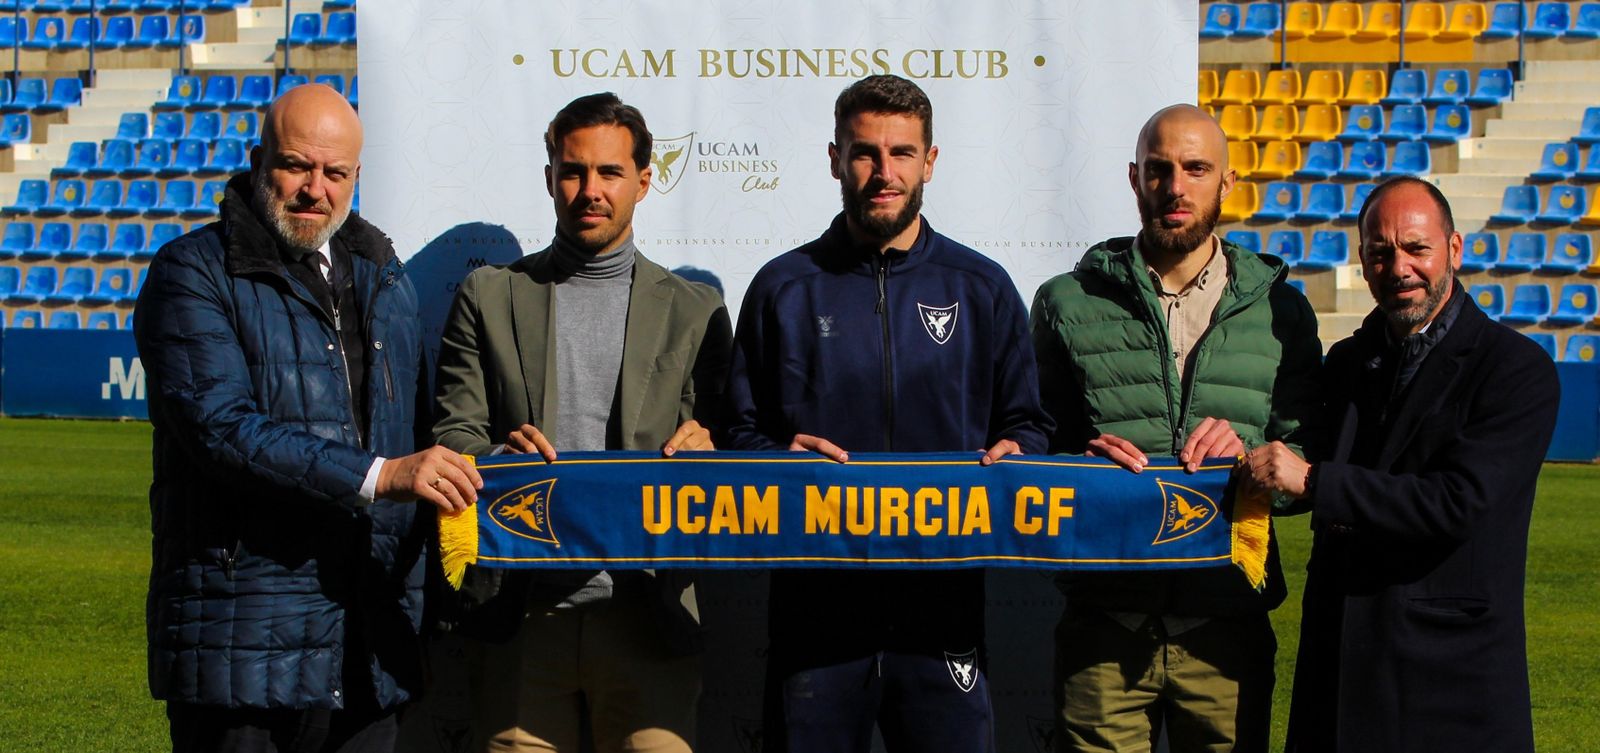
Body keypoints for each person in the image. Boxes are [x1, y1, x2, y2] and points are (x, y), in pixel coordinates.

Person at [135, 83, 482, 753]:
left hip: (369, 646)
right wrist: (380, 475)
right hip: (243, 647)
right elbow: (221, 430)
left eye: (335, 173)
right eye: (296, 165)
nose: (314, 189)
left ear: (356, 177)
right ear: (258, 161)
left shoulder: (385, 278)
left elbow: (419, 431)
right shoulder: (192, 271)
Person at [723, 74, 1051, 753]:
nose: (883, 172)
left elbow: (1029, 423)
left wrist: (1020, 449)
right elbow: (738, 432)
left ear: (929, 161)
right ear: (835, 159)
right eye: (864, 153)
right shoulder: (783, 287)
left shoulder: (981, 286)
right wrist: (776, 460)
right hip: (816, 611)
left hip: (944, 608)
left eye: (901, 153)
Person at [430, 92, 732, 753]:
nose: (589, 190)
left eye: (609, 172)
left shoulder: (698, 311)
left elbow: (731, 451)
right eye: (573, 171)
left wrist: (713, 446)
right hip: (519, 616)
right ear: (550, 178)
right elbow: (452, 436)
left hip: (649, 614)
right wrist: (496, 457)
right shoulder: (488, 296)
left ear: (643, 181)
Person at [1029, 103, 1322, 753]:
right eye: (1159, 169)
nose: (1176, 186)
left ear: (1228, 181)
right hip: (1104, 622)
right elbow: (1031, 443)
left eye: (1196, 168)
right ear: (1134, 177)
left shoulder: (1281, 309)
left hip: (1227, 624)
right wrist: (1078, 462)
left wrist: (1256, 461)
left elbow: (1309, 453)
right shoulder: (1065, 301)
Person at [1242, 176, 1559, 753]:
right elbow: (1291, 464)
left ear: (1454, 249)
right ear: (1362, 260)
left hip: (1449, 680)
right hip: (1337, 668)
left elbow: (1458, 503)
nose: (1399, 268)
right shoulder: (1348, 361)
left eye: (1417, 248)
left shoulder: (1515, 369)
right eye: (1380, 252)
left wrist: (1314, 481)